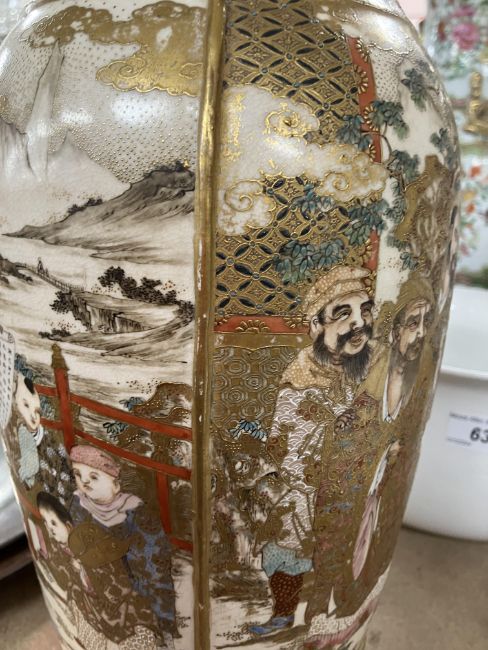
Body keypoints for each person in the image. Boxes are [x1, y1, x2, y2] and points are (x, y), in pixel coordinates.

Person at [249, 266, 376, 636]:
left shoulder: (369, 365)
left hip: (353, 482)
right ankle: (284, 614)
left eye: (365, 311)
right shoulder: (301, 375)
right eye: (343, 314)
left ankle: (333, 613)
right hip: (306, 484)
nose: (359, 324)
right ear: (317, 325)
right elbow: (285, 440)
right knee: (285, 542)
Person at [69, 445, 176, 646]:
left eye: (94, 477)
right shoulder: (79, 504)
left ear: (116, 484)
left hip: (134, 580)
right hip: (98, 581)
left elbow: (152, 558)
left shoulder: (134, 510)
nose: (84, 481)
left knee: (141, 610)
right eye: (78, 474)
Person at [37, 491, 160, 649]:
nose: (50, 529)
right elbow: (65, 581)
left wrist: (84, 569)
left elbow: (114, 579)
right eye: (46, 523)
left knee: (134, 631)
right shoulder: (62, 552)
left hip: (115, 604)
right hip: (92, 609)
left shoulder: (90, 544)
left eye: (53, 523)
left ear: (68, 526)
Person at [14, 373, 73, 501]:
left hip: (58, 469)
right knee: (51, 491)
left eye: (37, 412)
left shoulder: (44, 432)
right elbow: (29, 464)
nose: (33, 416)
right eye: (26, 406)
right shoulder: (23, 433)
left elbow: (61, 452)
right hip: (43, 473)